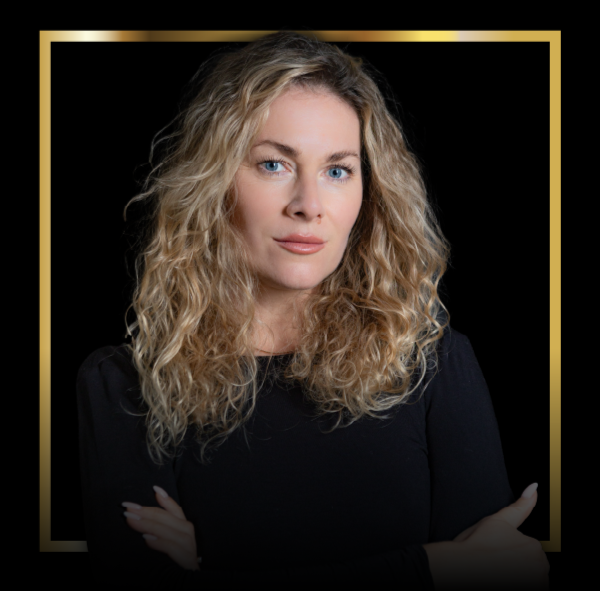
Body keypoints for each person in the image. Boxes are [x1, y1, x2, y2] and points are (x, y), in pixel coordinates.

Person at [77, 32, 549, 589]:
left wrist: (215, 562)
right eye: (273, 164)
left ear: (367, 196)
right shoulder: (125, 385)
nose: (308, 205)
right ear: (212, 183)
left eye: (337, 170)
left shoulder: (434, 365)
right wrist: (436, 567)